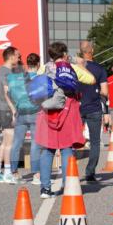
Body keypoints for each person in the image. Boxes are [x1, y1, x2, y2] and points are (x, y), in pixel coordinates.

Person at [35, 42, 91, 200]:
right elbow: (91, 80)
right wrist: (79, 64)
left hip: (48, 111)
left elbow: (36, 85)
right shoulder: (71, 68)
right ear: (65, 53)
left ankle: (45, 189)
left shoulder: (44, 68)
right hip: (67, 110)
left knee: (47, 150)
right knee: (67, 149)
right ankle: (68, 187)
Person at [76, 40, 110, 183]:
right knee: (95, 142)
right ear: (92, 51)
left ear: (81, 52)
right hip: (94, 108)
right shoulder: (99, 69)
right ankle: (90, 173)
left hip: (76, 108)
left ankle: (69, 170)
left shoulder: (75, 68)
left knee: (72, 141)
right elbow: (105, 92)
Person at [7, 53, 43, 185]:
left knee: (17, 143)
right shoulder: (40, 79)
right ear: (38, 64)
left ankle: (14, 173)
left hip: (21, 113)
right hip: (35, 113)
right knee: (35, 143)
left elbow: (9, 93)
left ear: (28, 64)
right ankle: (36, 174)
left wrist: (15, 107)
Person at [0, 46, 21, 183]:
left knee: (4, 143)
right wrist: (13, 109)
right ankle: (8, 173)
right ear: (11, 57)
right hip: (7, 110)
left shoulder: (0, 70)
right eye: (17, 56)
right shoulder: (6, 72)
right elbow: (6, 92)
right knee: (10, 143)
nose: (19, 58)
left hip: (2, 109)